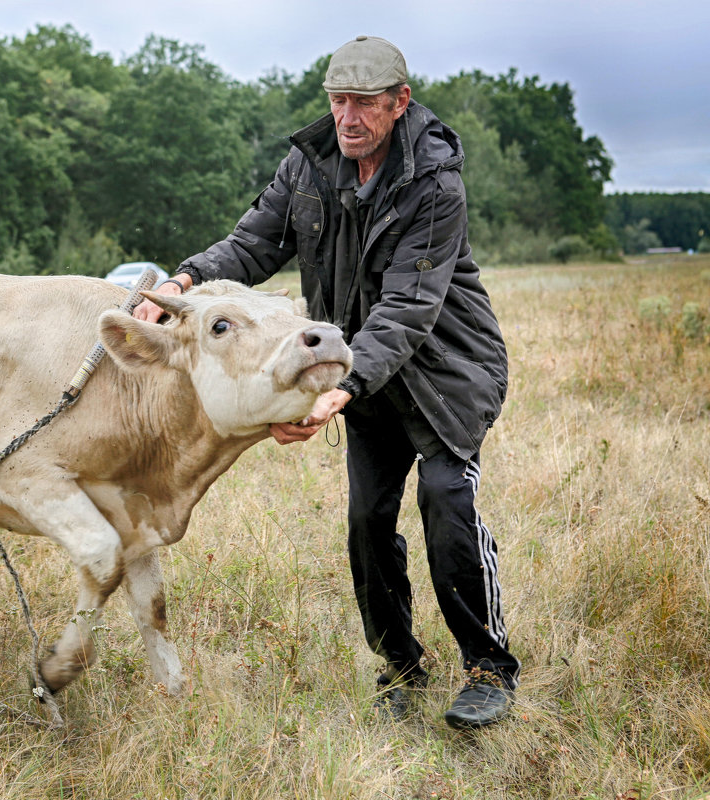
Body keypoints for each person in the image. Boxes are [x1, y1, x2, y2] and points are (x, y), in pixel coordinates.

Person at [135, 35, 519, 729]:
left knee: (444, 501)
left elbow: (408, 309)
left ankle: (490, 667)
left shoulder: (435, 181)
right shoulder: (308, 166)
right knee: (367, 520)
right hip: (361, 374)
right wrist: (183, 279)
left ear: (399, 103)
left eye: (365, 104)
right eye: (338, 101)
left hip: (445, 374)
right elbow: (254, 242)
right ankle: (401, 666)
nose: (348, 118)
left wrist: (335, 390)